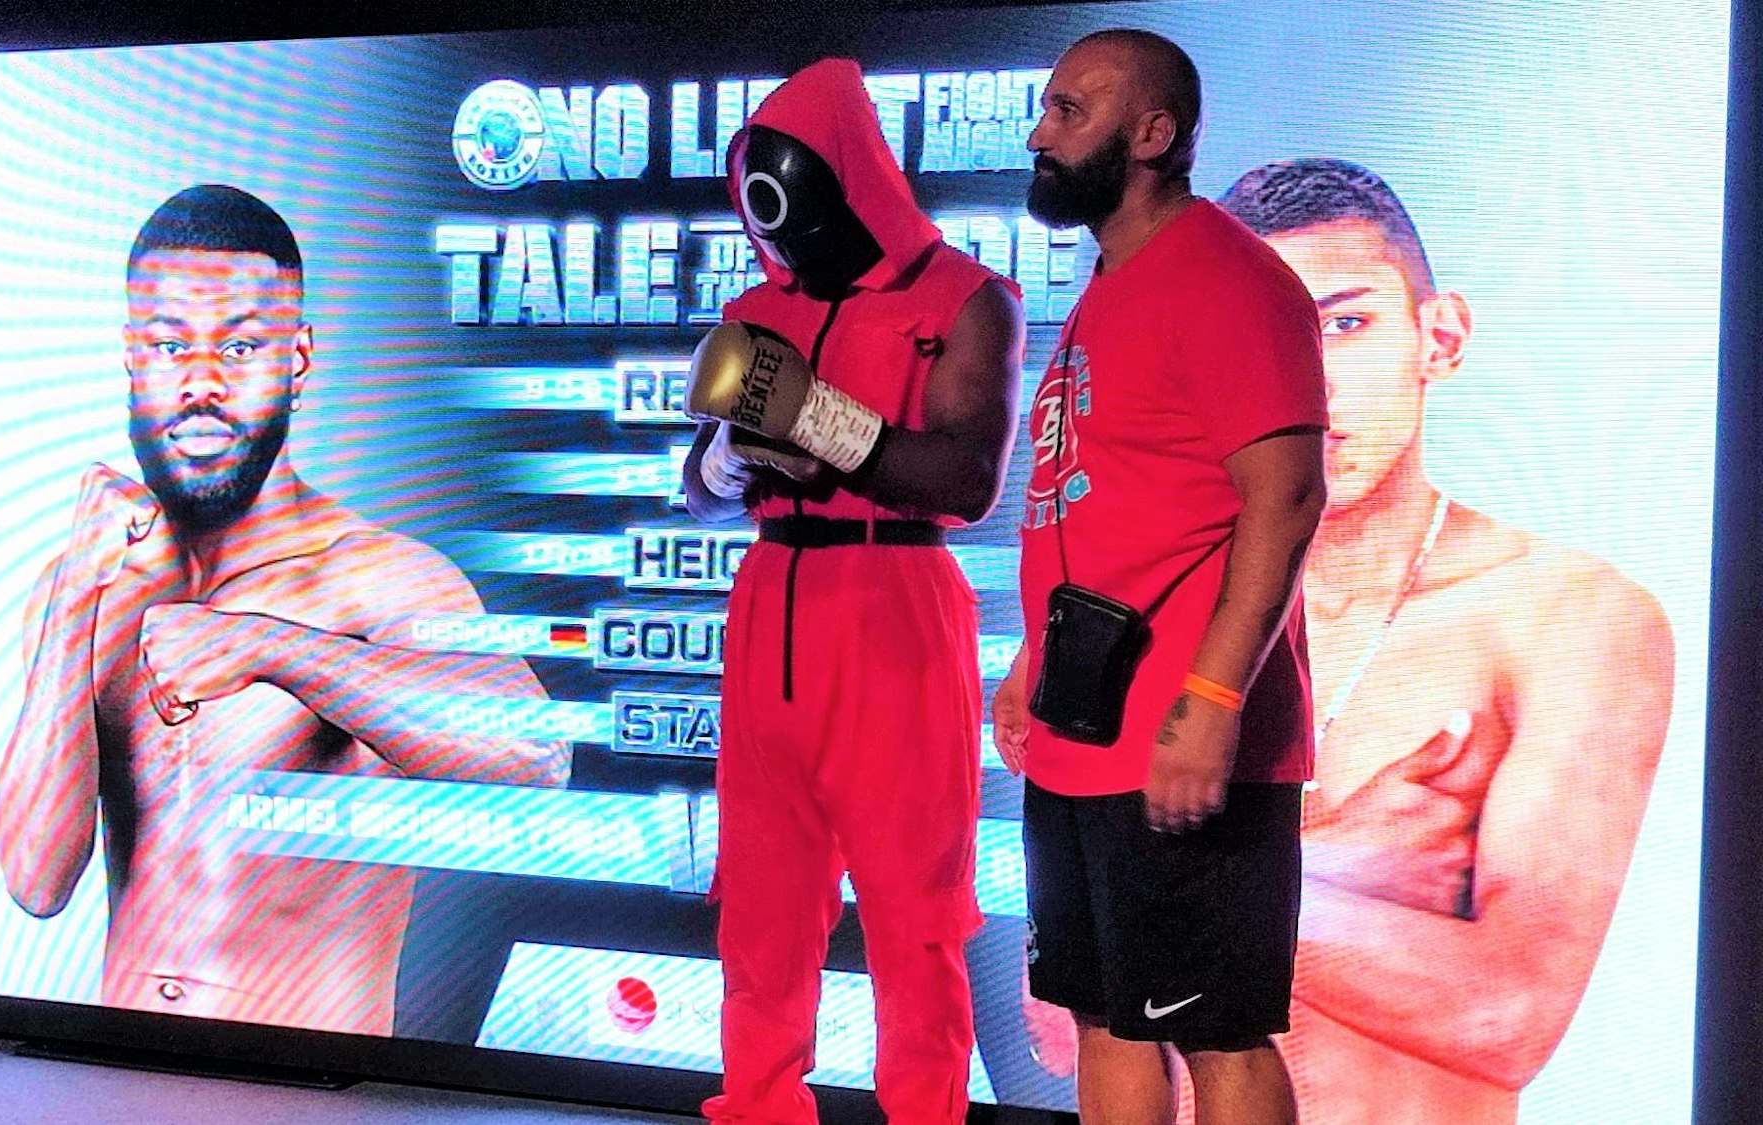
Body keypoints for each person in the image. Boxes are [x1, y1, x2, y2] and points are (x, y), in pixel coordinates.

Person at [0, 184, 568, 1038]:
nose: (200, 383)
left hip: (313, 1091)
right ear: (129, 354)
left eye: (240, 347)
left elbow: (535, 753)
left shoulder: (377, 578)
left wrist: (274, 650)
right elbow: (36, 884)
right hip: (121, 1072)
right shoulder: (83, 586)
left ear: (296, 357)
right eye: (168, 345)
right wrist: (79, 587)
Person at [1217, 157, 1675, 1125]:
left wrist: (1190, 879)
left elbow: (1509, 1011)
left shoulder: (1569, 617)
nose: (1302, 376)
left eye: (1342, 323)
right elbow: (1053, 1023)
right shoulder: (1165, 601)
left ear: (1441, 335)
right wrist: (1339, 871)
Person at [679, 58, 1025, 1125]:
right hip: (771, 601)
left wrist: (820, 424)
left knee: (911, 910)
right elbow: (696, 489)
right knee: (762, 905)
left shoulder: (967, 299)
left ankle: (923, 1113)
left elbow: (967, 479)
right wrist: (724, 467)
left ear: (851, 180)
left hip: (895, 602)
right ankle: (757, 1105)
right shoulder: (754, 307)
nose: (779, 236)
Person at [992, 29, 1328, 1125]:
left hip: (1184, 736)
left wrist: (1213, 701)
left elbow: (1283, 499)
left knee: (1215, 1029)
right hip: (1081, 737)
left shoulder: (1228, 277)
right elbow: (1107, 507)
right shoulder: (1107, 286)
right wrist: (1026, 664)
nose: (1040, 134)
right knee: (1103, 1016)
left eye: (1068, 112)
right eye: (1044, 110)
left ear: (1152, 134)